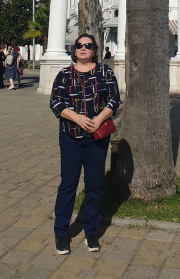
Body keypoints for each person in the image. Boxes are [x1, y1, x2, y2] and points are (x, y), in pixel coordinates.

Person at [50, 34, 120, 255]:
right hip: (70, 137)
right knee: (68, 186)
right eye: (79, 45)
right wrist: (78, 118)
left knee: (94, 186)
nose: (83, 48)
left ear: (94, 50)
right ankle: (61, 233)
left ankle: (91, 231)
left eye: (88, 46)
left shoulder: (104, 72)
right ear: (74, 50)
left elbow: (114, 98)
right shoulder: (64, 74)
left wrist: (98, 119)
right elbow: (55, 102)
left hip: (96, 139)